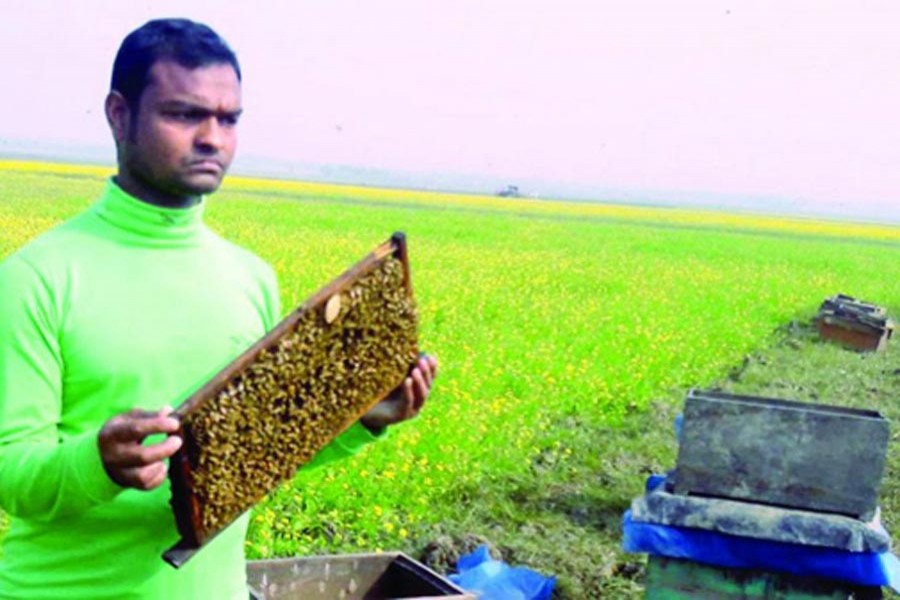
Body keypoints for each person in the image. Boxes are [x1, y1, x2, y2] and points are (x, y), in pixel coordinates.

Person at [0, 18, 438, 600]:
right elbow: (11, 472)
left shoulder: (250, 278)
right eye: (184, 115)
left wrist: (362, 418)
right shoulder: (39, 277)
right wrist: (96, 462)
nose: (212, 137)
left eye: (228, 119)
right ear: (118, 114)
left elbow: (258, 453)